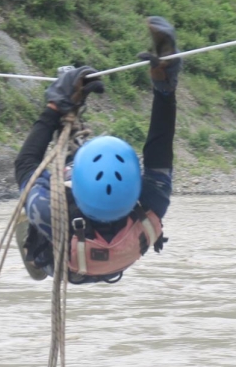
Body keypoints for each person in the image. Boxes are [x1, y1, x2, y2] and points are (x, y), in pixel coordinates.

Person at [14, 16, 181, 284]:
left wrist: (55, 107)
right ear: (134, 185)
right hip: (111, 261)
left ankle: (35, 262)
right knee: (50, 181)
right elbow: (160, 147)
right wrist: (165, 88)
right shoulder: (151, 205)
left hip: (62, 265)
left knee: (30, 203)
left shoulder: (48, 212)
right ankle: (71, 148)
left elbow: (25, 166)